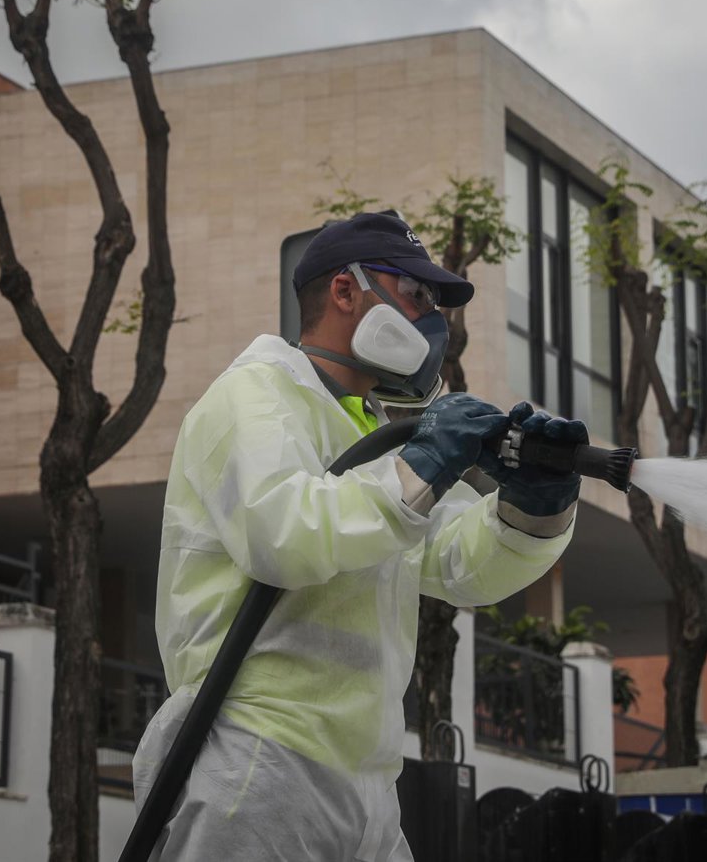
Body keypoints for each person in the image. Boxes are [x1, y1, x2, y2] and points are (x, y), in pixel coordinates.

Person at [132, 212, 586, 860]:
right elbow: (284, 532)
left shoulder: (372, 435)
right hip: (259, 758)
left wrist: (534, 507)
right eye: (417, 295)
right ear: (346, 291)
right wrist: (425, 462)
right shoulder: (255, 394)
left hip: (368, 781)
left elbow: (457, 559)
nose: (433, 321)